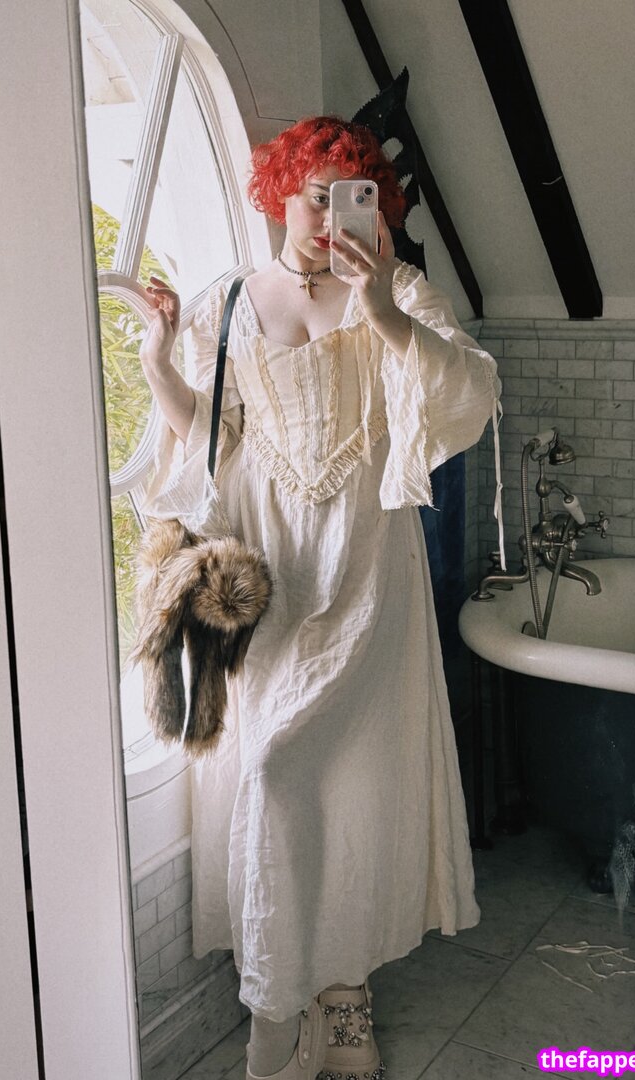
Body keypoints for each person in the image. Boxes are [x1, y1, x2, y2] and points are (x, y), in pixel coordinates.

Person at [138, 116, 501, 1080]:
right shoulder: (230, 299)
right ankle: (280, 1001)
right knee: (273, 773)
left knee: (352, 780)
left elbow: (468, 394)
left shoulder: (398, 291)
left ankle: (339, 998)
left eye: (350, 197)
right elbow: (210, 443)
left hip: (367, 563)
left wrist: (379, 309)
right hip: (270, 576)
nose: (328, 218)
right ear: (279, 196)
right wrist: (159, 364)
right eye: (313, 196)